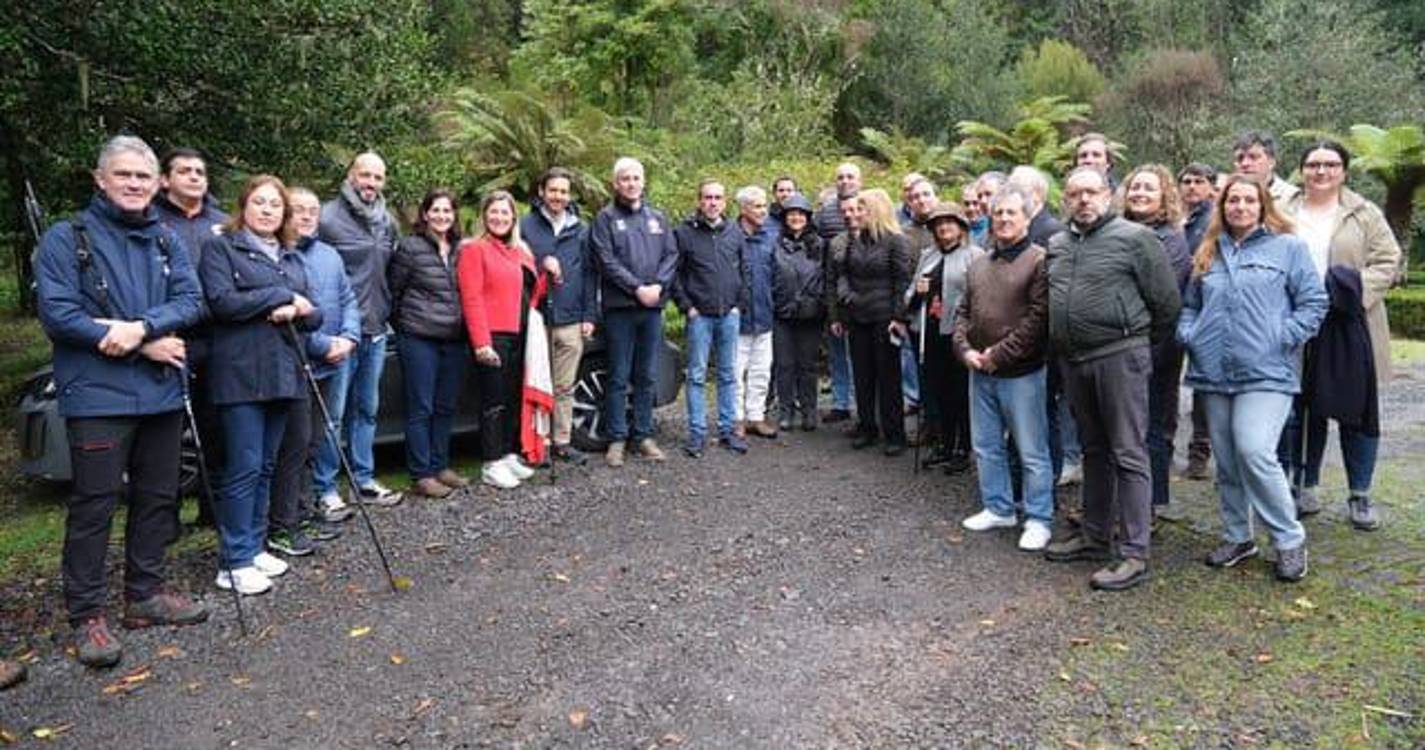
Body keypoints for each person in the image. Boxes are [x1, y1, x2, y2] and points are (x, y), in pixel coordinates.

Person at [35, 135, 209, 668]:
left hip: (158, 392)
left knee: (158, 496)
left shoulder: (164, 240)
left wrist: (141, 328)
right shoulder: (69, 238)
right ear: (100, 179)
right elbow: (60, 315)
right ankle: (87, 615)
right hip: (97, 396)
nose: (133, 185)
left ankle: (145, 594)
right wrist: (141, 339)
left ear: (156, 184)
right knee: (95, 505)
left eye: (142, 177)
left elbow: (191, 301)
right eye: (123, 175)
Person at [1178, 175, 1327, 581]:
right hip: (1213, 372)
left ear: (1263, 206)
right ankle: (1238, 536)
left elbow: (1314, 302)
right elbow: (1190, 305)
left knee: (1255, 450)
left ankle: (1289, 539)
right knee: (1227, 461)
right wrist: (1189, 334)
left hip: (1268, 371)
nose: (1240, 207)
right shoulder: (1208, 250)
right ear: (1221, 207)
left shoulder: (1288, 248)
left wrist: (1285, 336)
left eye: (1248, 200)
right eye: (1232, 201)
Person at [1043, 167, 1181, 591]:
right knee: (1093, 449)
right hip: (1075, 360)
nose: (1083, 200)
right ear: (1065, 199)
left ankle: (1135, 551)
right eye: (1075, 193)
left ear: (1108, 195)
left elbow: (1167, 305)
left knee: (1128, 451)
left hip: (1120, 356)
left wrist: (1134, 345)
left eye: (1092, 192)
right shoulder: (1058, 243)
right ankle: (1095, 535)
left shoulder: (1136, 239)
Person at [201, 175, 323, 595]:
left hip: (283, 371)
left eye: (275, 204)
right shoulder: (221, 247)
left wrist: (294, 310)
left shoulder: (289, 255)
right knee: (244, 466)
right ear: (244, 206)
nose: (268, 210)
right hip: (240, 374)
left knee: (267, 466)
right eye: (259, 202)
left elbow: (314, 314)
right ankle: (232, 560)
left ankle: (253, 547)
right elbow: (220, 302)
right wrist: (278, 298)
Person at [1281, 140, 1402, 529]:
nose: (1321, 171)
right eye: (1313, 164)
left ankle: (1360, 495)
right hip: (1298, 321)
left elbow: (1388, 261)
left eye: (1330, 164)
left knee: (1356, 411)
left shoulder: (1364, 213)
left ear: (1343, 171)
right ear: (1301, 170)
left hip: (1350, 323)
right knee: (1301, 407)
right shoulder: (1283, 211)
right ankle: (1305, 486)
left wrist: (1345, 291)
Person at [953, 186, 1052, 550]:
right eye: (999, 213)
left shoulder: (1041, 260)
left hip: (1022, 373)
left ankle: (1040, 517)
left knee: (1032, 450)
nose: (1005, 219)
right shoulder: (979, 263)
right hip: (978, 370)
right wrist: (964, 349)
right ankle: (998, 507)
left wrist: (998, 355)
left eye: (1012, 213)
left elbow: (1038, 319)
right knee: (986, 446)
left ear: (1027, 217)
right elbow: (963, 312)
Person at [267, 186, 358, 559]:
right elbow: (290, 317)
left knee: (312, 444)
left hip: (332, 362)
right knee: (290, 449)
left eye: (312, 211)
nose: (306, 216)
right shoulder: (279, 256)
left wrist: (349, 337)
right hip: (297, 363)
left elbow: (348, 298)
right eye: (299, 210)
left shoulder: (329, 255)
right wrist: (322, 344)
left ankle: (304, 513)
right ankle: (282, 522)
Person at [317, 152, 402, 510]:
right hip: (339, 335)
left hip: (376, 329)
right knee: (332, 415)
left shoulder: (387, 221)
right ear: (350, 176)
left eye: (378, 177)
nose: (370, 183)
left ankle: (363, 480)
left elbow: (393, 271)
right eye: (364, 175)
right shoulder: (327, 218)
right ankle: (325, 488)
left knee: (367, 411)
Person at [153, 147, 230, 526]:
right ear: (165, 179)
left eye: (200, 170)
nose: (195, 177)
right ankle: (164, 518)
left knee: (216, 428)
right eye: (185, 171)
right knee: (166, 434)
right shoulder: (150, 220)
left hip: (217, 339)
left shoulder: (222, 222)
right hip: (168, 339)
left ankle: (212, 510)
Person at [588, 157, 678, 467]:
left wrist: (657, 286)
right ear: (615, 183)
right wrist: (636, 287)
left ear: (643, 181)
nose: (631, 183)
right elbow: (605, 260)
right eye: (625, 178)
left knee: (646, 375)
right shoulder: (605, 219)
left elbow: (671, 255)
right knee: (617, 375)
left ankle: (643, 436)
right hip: (620, 309)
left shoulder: (658, 218)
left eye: (636, 178)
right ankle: (616, 438)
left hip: (652, 309)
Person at [459, 191, 550, 488]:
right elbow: (471, 297)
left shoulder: (519, 251)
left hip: (520, 334)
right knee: (493, 401)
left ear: (514, 218)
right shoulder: (475, 249)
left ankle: (508, 453)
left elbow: (530, 296)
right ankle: (491, 461)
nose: (499, 217)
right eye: (494, 212)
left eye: (505, 213)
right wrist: (481, 342)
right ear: (485, 215)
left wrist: (549, 275)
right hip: (493, 336)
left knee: (511, 397)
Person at [1117, 164, 1193, 513]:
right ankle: (1123, 502)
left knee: (1150, 428)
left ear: (1164, 195)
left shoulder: (1172, 239)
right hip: (1116, 347)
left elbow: (1164, 299)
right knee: (1120, 429)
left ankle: (1149, 504)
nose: (1140, 193)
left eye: (1149, 188)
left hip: (1154, 348)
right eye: (1135, 187)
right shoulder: (1115, 230)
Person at [389, 189, 470, 498]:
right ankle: (422, 472)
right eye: (435, 210)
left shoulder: (461, 248)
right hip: (419, 337)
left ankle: (441, 465)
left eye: (447, 211)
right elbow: (394, 292)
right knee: (420, 406)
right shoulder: (410, 248)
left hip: (453, 338)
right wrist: (406, 327)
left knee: (445, 405)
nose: (441, 216)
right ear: (424, 214)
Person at [521, 168, 597, 466]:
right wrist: (543, 263)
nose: (558, 197)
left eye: (564, 192)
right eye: (553, 190)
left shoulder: (581, 229)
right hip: (537, 320)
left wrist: (589, 315)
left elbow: (591, 275)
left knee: (564, 386)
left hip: (571, 319)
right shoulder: (526, 225)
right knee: (537, 383)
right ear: (542, 191)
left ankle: (562, 442)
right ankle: (536, 443)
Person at [828, 189, 912, 455]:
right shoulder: (855, 241)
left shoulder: (895, 241)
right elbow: (844, 273)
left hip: (885, 318)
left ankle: (895, 434)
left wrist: (899, 317)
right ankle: (867, 427)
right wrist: (846, 300)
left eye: (862, 209)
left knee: (888, 378)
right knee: (862, 376)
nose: (856, 214)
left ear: (875, 211)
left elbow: (902, 282)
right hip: (858, 315)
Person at [909, 202, 984, 474]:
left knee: (959, 392)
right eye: (938, 224)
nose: (943, 228)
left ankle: (963, 448)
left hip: (958, 333)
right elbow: (912, 295)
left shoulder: (974, 255)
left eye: (949, 222)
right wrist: (918, 292)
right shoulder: (927, 255)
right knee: (936, 391)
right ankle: (944, 443)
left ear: (961, 226)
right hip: (929, 331)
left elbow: (981, 296)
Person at [673, 180, 745, 457]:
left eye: (717, 197)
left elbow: (745, 271)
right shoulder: (684, 233)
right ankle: (697, 433)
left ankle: (727, 430)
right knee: (697, 375)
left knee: (728, 374)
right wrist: (686, 306)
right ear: (699, 201)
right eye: (707, 197)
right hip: (699, 316)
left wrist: (739, 304)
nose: (712, 202)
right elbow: (675, 274)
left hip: (729, 314)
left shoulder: (734, 232)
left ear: (725, 202)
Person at [1178, 162, 1219, 480]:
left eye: (1199, 181)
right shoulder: (1175, 217)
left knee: (1202, 385)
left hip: (1203, 309)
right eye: (1186, 181)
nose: (1192, 186)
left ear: (1211, 186)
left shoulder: (1214, 220)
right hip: (1170, 308)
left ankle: (1200, 450)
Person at [772, 194, 826, 432]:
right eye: (791, 214)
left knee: (808, 364)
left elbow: (827, 278)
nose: (796, 218)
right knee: (784, 364)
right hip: (782, 311)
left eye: (800, 214)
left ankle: (809, 410)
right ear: (785, 218)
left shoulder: (819, 245)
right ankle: (785, 410)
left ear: (808, 218)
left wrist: (818, 303)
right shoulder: (774, 244)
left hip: (810, 312)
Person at [733, 185, 779, 439]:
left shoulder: (769, 237)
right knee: (736, 371)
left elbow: (775, 274)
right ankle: (737, 418)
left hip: (764, 314)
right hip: (737, 317)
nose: (763, 211)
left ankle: (756, 417)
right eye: (758, 206)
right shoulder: (730, 236)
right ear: (743, 208)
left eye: (764, 205)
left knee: (762, 370)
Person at [817, 162, 862, 423]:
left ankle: (863, 405)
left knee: (862, 354)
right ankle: (841, 402)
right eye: (841, 177)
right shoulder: (825, 213)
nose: (845, 181)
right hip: (834, 288)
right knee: (837, 352)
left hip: (865, 292)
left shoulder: (871, 206)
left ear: (860, 180)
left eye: (850, 176)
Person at [1233, 130, 1299, 204]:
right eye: (1240, 158)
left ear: (1271, 162)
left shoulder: (1292, 198)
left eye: (1253, 157)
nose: (1245, 164)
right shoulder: (1227, 196)